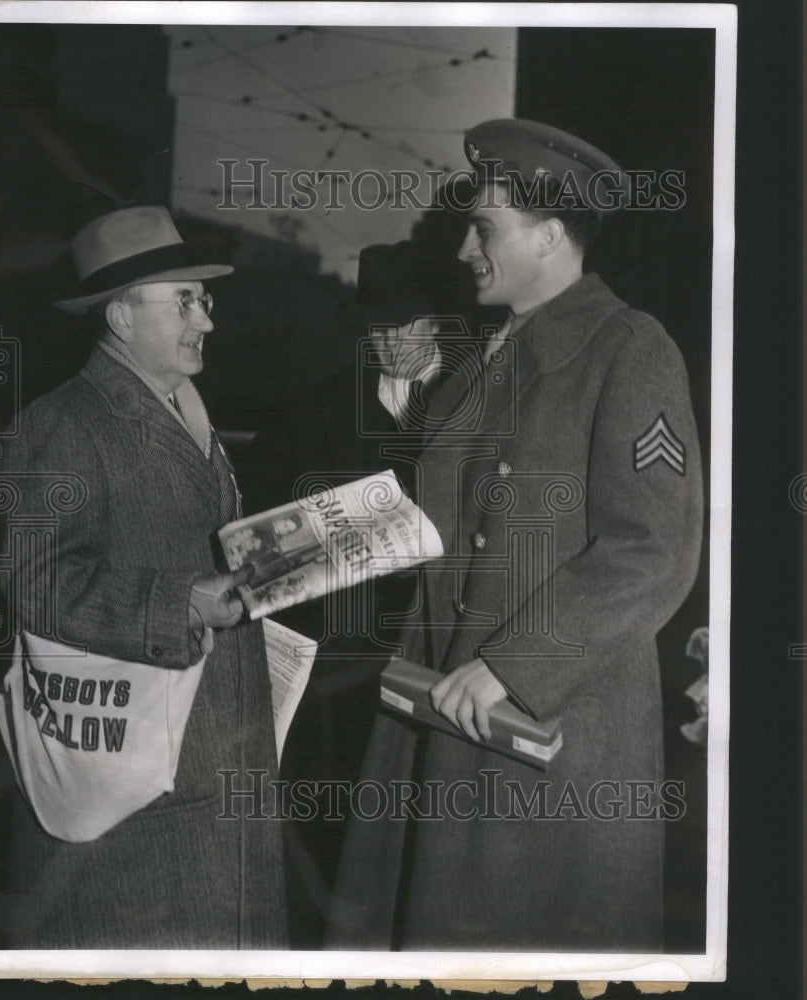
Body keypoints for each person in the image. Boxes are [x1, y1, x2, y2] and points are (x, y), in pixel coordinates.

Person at [326, 118, 704, 951]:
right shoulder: (480, 357)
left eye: (484, 228)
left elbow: (652, 551)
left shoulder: (629, 349)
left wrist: (511, 665)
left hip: (545, 733)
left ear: (552, 234)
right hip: (449, 710)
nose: (466, 249)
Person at [0, 206, 288, 949]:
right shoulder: (62, 423)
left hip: (213, 760)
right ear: (121, 315)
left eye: (206, 300)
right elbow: (35, 582)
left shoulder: (186, 408)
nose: (206, 321)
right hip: (137, 787)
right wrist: (175, 601)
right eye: (184, 301)